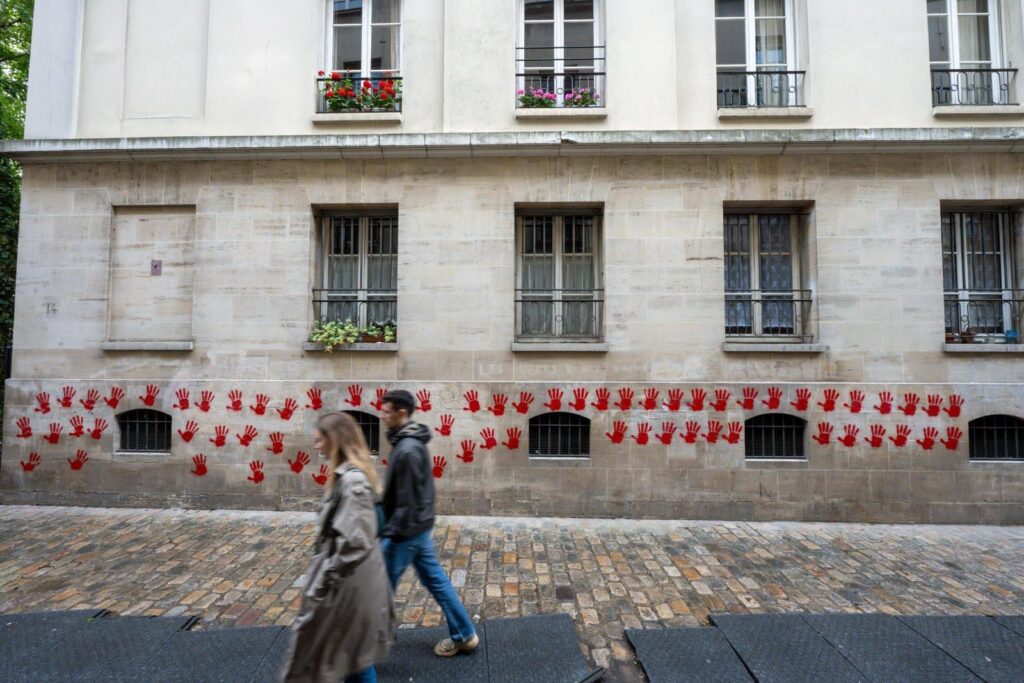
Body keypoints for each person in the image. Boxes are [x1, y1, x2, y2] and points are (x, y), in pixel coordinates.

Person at [283, 412, 395, 683]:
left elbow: (354, 544)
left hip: (348, 589)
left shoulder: (352, 481)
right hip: (350, 586)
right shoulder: (345, 476)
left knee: (351, 658)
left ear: (335, 439)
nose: (316, 445)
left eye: (320, 439)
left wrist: (325, 581)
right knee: (349, 658)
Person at [378, 389, 480, 657]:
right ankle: (465, 634)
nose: (382, 415)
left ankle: (368, 646)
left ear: (401, 413)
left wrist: (392, 533)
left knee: (379, 588)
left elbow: (409, 499)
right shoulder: (408, 441)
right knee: (436, 581)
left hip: (405, 531)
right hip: (417, 528)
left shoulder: (408, 448)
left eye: (387, 411)